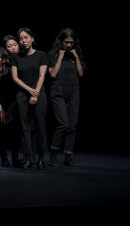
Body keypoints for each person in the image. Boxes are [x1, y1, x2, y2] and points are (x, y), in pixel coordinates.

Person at [11, 28, 48, 170]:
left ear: (32, 38)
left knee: (40, 125)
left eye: (26, 37)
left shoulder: (41, 55)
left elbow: (42, 76)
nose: (23, 41)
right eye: (20, 39)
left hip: (38, 91)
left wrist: (36, 92)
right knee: (24, 126)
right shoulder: (16, 57)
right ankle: (27, 158)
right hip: (23, 92)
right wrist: (29, 91)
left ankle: (40, 158)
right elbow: (15, 78)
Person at [47, 28, 86, 167]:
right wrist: (60, 57)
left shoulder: (76, 55)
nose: (69, 45)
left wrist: (76, 57)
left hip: (73, 92)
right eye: (66, 42)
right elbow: (52, 74)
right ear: (60, 41)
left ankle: (68, 156)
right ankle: (53, 154)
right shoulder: (53, 54)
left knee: (72, 125)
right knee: (63, 123)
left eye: (71, 42)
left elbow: (80, 74)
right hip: (58, 92)